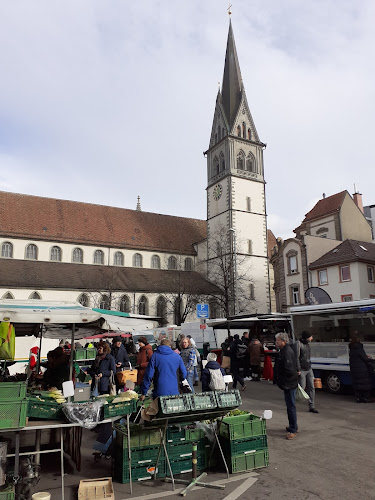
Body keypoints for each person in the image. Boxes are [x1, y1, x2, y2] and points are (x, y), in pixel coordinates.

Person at [274, 332, 299, 440]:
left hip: (289, 383)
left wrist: (281, 379)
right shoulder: (284, 350)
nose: (276, 342)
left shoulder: (286, 352)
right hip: (288, 383)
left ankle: (293, 429)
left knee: (291, 406)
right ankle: (293, 426)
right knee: (290, 406)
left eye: (278, 340)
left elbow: (289, 369)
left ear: (283, 341)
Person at [297, 331, 318, 413]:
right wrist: (298, 369)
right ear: (307, 337)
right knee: (302, 387)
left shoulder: (307, 345)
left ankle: (312, 405)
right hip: (302, 369)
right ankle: (293, 401)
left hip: (308, 368)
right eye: (310, 337)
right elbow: (297, 357)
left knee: (311, 387)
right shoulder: (299, 344)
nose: (312, 338)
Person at [349, 335, 374, 403]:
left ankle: (358, 398)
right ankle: (366, 398)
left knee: (357, 383)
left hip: (354, 369)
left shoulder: (351, 349)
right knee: (364, 383)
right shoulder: (359, 348)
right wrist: (370, 359)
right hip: (362, 369)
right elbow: (365, 359)